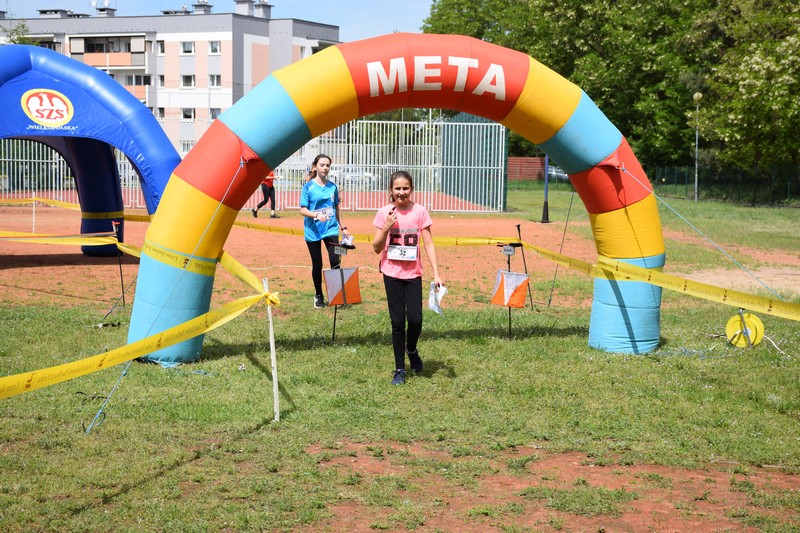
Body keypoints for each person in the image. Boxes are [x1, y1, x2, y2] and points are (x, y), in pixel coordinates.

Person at [372, 170, 443, 385]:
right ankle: (399, 369)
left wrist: (437, 273)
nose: (401, 193)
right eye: (397, 189)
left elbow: (429, 243)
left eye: (405, 188)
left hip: (413, 274)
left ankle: (411, 348)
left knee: (415, 319)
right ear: (390, 190)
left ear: (411, 189)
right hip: (391, 273)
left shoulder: (420, 211)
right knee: (396, 322)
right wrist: (387, 226)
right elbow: (376, 248)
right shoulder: (385, 212)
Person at [299, 154, 351, 309]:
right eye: (322, 165)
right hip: (313, 230)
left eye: (328, 165)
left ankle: (337, 296)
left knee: (335, 260)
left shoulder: (332, 187)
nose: (325, 168)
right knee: (317, 264)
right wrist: (316, 214)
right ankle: (319, 295)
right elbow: (303, 209)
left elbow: (336, 208)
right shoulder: (308, 187)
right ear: (315, 167)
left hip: (330, 228)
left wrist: (344, 228)